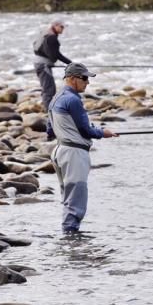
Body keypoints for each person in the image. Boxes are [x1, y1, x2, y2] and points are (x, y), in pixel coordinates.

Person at [46, 62, 117, 234]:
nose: (87, 82)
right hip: (73, 154)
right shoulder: (73, 100)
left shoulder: (56, 97)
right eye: (84, 78)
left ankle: (68, 235)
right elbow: (86, 130)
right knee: (76, 198)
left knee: (68, 197)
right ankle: (71, 240)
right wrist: (103, 132)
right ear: (71, 79)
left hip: (59, 152)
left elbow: (49, 130)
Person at [33, 20, 71, 112]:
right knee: (49, 89)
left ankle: (48, 108)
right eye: (61, 27)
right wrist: (70, 63)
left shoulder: (45, 34)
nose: (63, 29)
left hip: (39, 63)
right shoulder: (52, 38)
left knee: (47, 87)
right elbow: (56, 54)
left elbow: (38, 47)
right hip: (43, 65)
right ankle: (49, 111)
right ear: (55, 26)